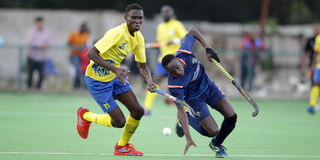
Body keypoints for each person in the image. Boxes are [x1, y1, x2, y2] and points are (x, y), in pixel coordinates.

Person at [76, 3, 155, 156]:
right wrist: (115, 69)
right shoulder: (117, 33)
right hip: (97, 81)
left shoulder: (139, 38)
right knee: (119, 122)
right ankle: (85, 116)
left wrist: (149, 81)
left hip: (115, 77)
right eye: (134, 18)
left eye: (140, 18)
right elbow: (91, 53)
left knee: (138, 111)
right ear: (126, 18)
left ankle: (122, 147)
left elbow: (143, 66)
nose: (137, 21)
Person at [161, 27, 237, 158]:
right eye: (172, 72)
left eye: (177, 68)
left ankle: (216, 144)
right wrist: (188, 137)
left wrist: (208, 48)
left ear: (179, 59)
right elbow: (179, 109)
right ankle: (189, 118)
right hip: (195, 100)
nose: (177, 73)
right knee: (212, 131)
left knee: (232, 117)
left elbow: (192, 30)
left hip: (209, 87)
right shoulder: (174, 85)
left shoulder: (184, 51)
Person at [144, 5, 187, 115]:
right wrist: (155, 60)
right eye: (164, 12)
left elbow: (185, 37)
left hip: (175, 59)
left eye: (168, 12)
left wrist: (173, 41)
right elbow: (159, 45)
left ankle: (187, 109)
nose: (166, 14)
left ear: (171, 13)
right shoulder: (160, 27)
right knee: (154, 81)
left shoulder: (177, 24)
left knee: (182, 84)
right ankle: (147, 108)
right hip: (162, 60)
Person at [26, 16, 52, 90]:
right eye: (38, 23)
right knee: (30, 75)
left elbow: (50, 42)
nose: (39, 24)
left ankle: (38, 88)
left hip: (41, 58)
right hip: (32, 57)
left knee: (41, 75)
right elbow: (31, 42)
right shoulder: (31, 31)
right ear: (36, 23)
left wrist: (46, 45)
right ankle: (29, 88)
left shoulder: (47, 31)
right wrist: (41, 45)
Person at [68, 22, 89, 89]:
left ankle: (82, 85)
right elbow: (69, 44)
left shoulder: (85, 35)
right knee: (77, 69)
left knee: (83, 70)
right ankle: (76, 85)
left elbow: (85, 45)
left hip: (82, 56)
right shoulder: (73, 34)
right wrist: (77, 47)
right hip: (74, 55)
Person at [308, 27, 320, 114]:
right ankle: (313, 105)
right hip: (319, 66)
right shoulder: (318, 38)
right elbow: (316, 53)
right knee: (316, 83)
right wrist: (313, 66)